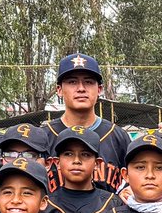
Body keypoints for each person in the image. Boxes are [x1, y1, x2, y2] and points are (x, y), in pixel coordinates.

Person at [46, 53, 132, 191]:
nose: (81, 88)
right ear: (59, 90)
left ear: (99, 89)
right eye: (72, 82)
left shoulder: (118, 137)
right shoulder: (44, 137)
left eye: (89, 82)